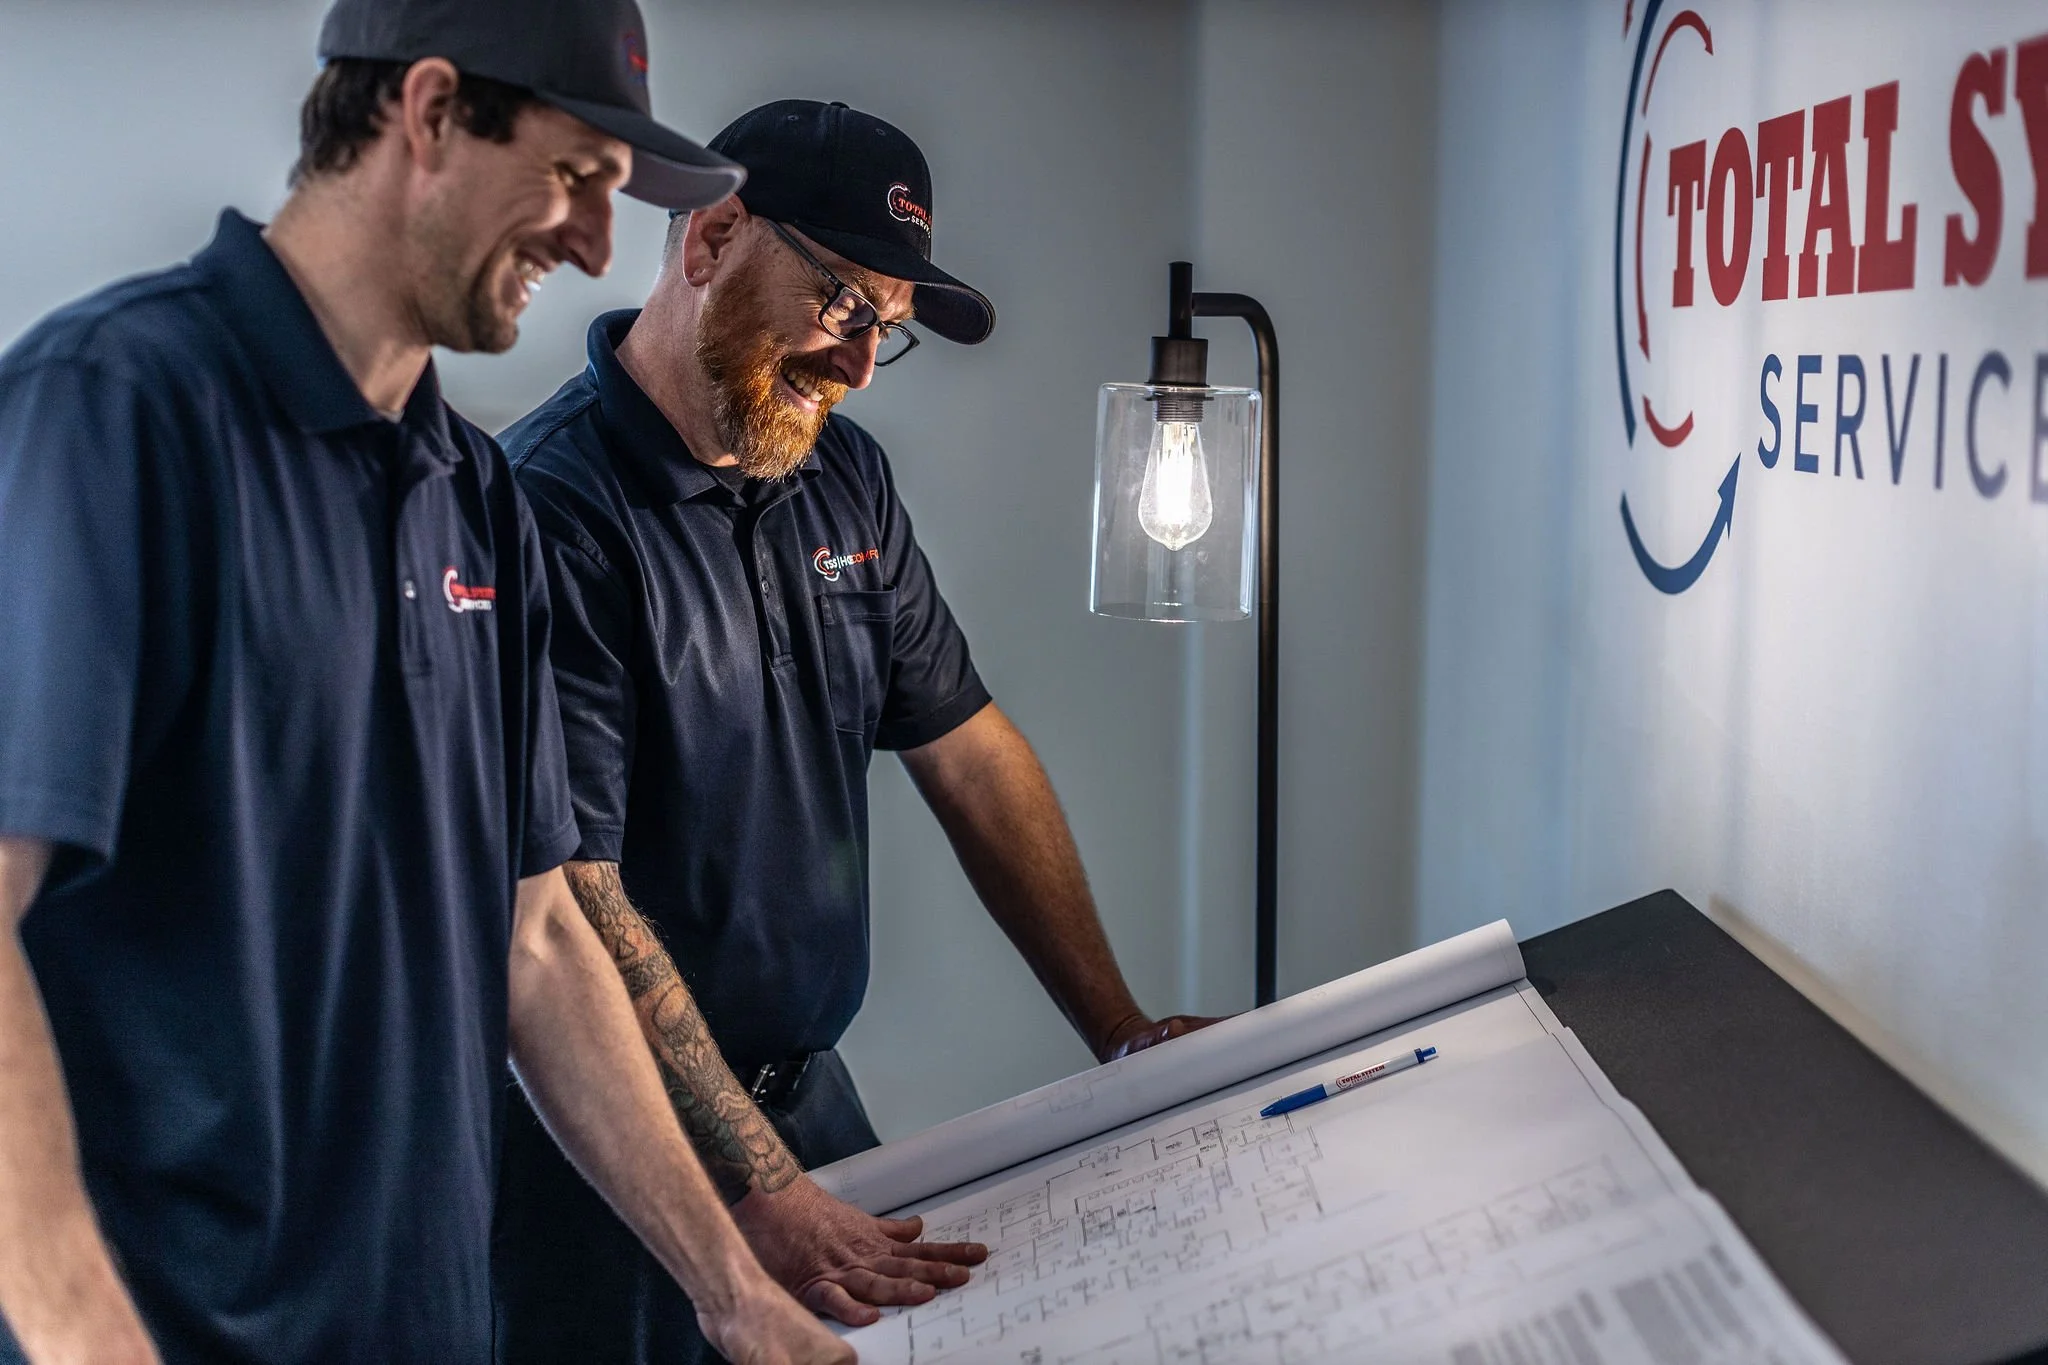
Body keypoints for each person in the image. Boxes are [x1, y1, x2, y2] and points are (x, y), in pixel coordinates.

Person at [0, 7, 886, 1362]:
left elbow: (536, 938)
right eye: (579, 176)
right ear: (426, 109)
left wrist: (730, 1287)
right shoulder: (116, 409)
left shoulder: (475, 498)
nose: (596, 245)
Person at [496, 98, 1223, 1363]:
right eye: (840, 305)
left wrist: (1118, 1032)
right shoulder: (546, 516)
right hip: (610, 1159)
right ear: (713, 239)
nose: (854, 364)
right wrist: (759, 1193)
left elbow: (971, 754)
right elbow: (575, 903)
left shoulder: (844, 479)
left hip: (808, 1106)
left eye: (886, 333)